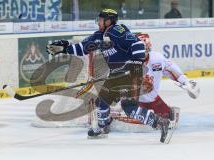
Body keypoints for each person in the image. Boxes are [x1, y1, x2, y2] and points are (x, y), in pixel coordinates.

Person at [46, 9, 171, 143]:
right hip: (117, 75)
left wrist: (135, 65)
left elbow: (137, 43)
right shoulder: (99, 35)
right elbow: (84, 47)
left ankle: (158, 122)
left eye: (100, 19)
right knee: (105, 102)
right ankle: (103, 126)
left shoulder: (117, 30)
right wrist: (66, 48)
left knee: (126, 106)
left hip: (129, 74)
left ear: (108, 21)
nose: (98, 22)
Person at [121, 33, 200, 128]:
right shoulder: (127, 61)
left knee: (169, 119)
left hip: (154, 100)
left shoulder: (157, 59)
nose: (142, 53)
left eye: (145, 49)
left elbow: (172, 70)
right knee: (130, 112)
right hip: (134, 102)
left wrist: (186, 82)